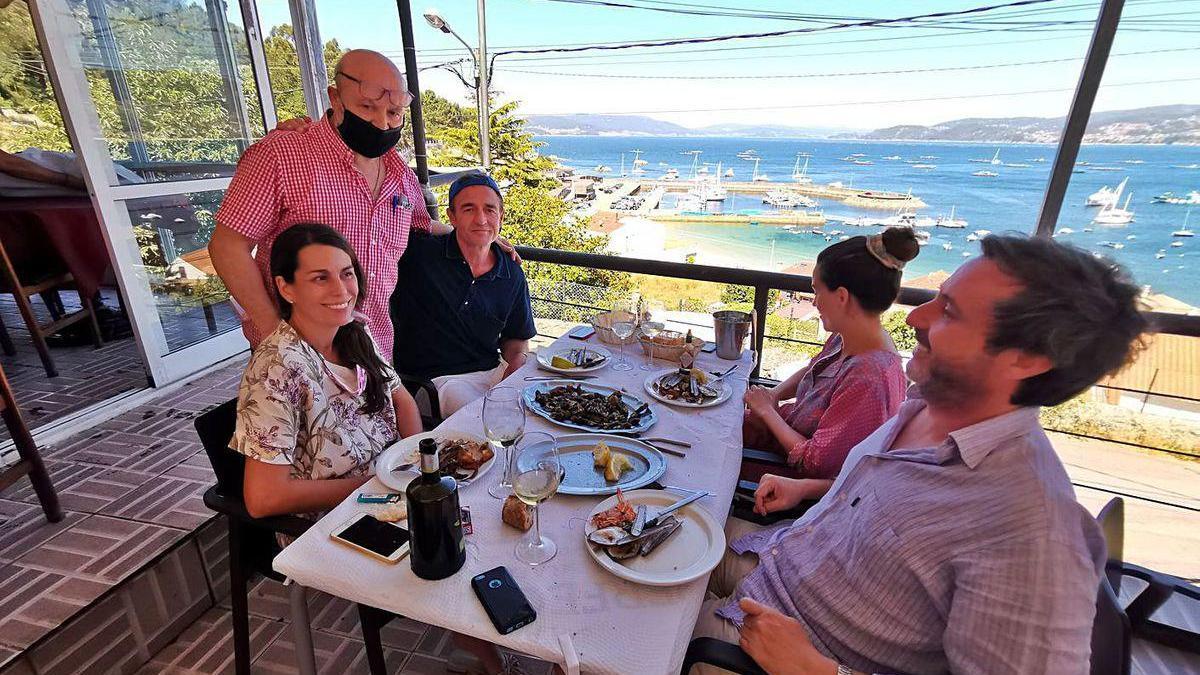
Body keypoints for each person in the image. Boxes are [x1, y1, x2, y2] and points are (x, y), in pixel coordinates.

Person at [693, 233, 1148, 674]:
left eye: (949, 311)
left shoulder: (1031, 535)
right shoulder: (930, 405)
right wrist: (809, 487)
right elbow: (886, 498)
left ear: (1027, 358)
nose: (915, 317)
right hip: (771, 556)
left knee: (627, 627)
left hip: (767, 641)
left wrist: (819, 671)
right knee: (654, 528)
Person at [211, 49, 451, 358]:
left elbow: (422, 224)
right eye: (367, 107)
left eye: (393, 113)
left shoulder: (400, 174)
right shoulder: (283, 155)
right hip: (299, 355)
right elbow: (228, 246)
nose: (381, 123)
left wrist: (485, 237)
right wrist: (277, 334)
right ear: (335, 98)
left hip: (374, 350)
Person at [231, 223, 422, 520]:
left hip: (395, 490)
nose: (341, 290)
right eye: (320, 278)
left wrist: (419, 467)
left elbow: (402, 400)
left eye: (347, 273)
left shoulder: (354, 332)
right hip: (334, 520)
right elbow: (263, 498)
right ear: (286, 288)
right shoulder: (277, 368)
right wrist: (377, 486)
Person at [740, 227, 918, 489]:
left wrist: (767, 411)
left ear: (842, 297)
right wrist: (773, 395)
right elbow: (813, 370)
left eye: (817, 290)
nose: (814, 302)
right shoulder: (852, 334)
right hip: (780, 433)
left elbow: (815, 462)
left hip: (789, 479)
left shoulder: (869, 377)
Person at [391, 173, 536, 416]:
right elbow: (387, 225)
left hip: (493, 374)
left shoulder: (511, 273)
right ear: (452, 216)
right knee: (489, 421)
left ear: (501, 216)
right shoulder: (419, 256)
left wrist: (515, 367)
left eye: (490, 210)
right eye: (469, 209)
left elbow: (516, 338)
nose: (481, 219)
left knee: (544, 405)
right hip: (437, 383)